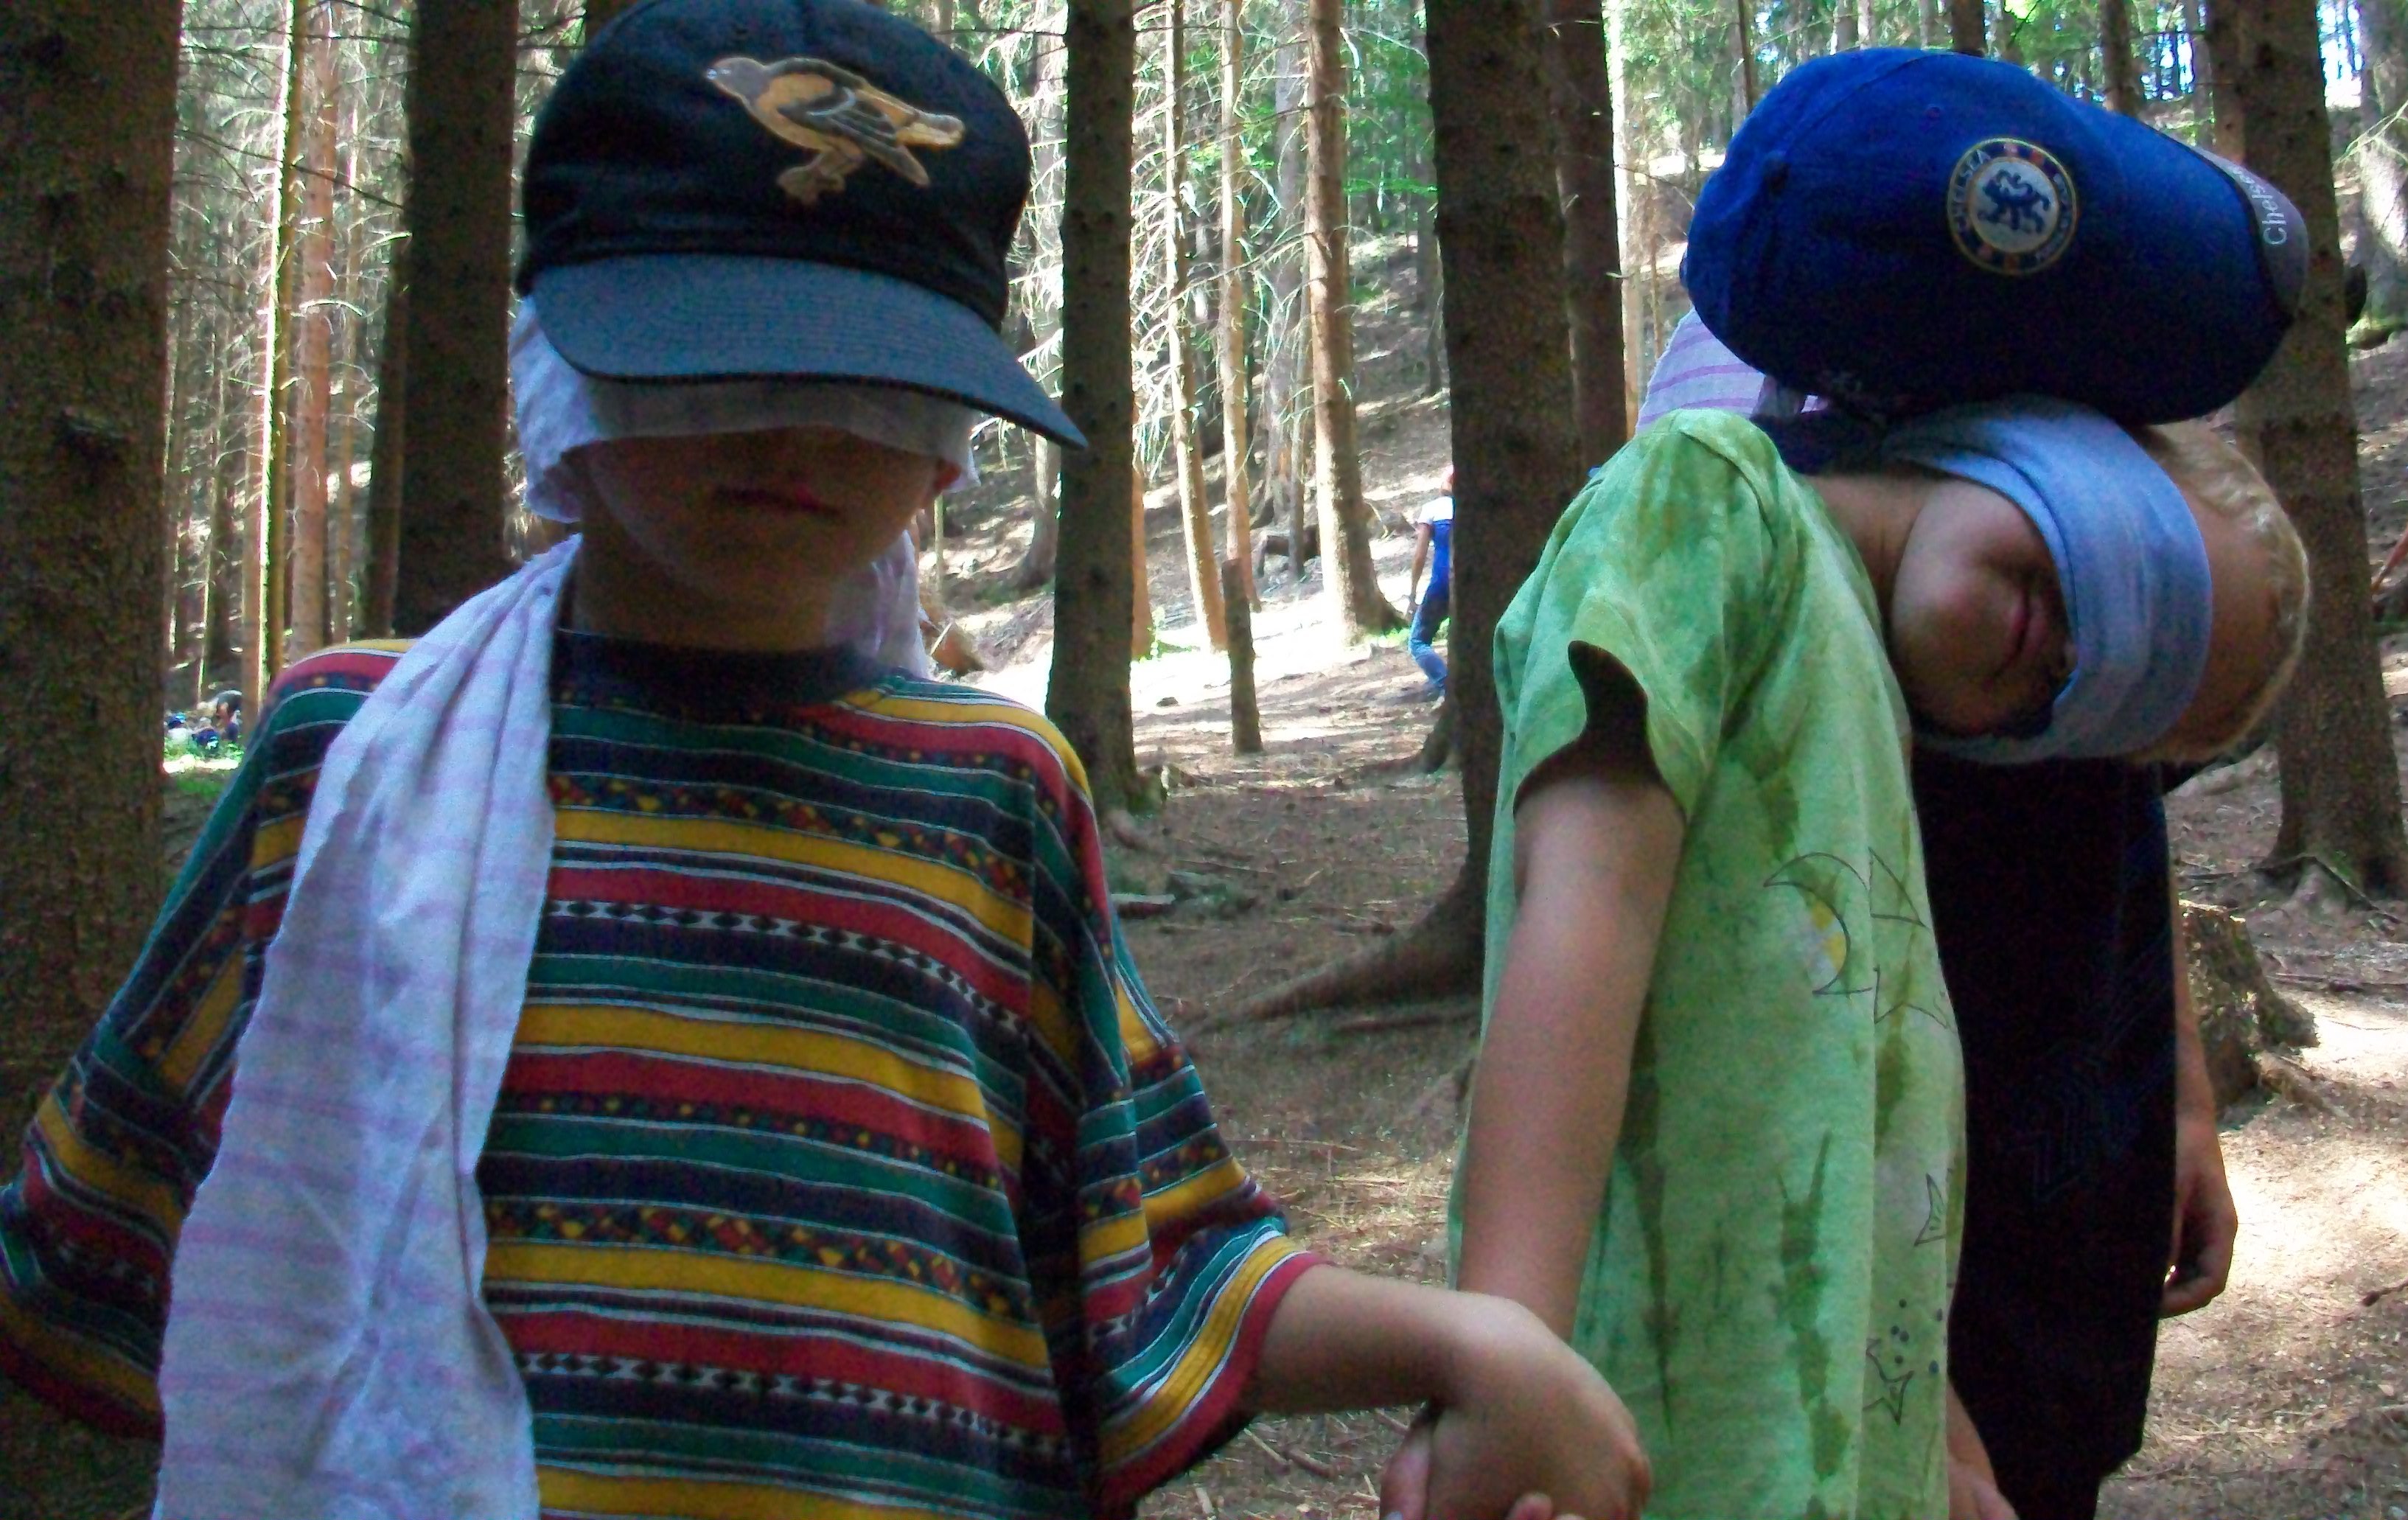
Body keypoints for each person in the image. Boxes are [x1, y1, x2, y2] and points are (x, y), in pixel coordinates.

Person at [0, 6, 1649, 1520]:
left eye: (875, 378)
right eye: (717, 355)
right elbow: (95, 1240)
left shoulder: (990, 797)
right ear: (559, 370)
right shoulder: (348, 760)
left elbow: (1152, 1263)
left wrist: (1473, 1343)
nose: (800, 430)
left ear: (947, 448)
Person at [1446, 397, 2306, 1519]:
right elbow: (1585, 908)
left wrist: (1932, 1439)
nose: (2082, 654)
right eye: (2141, 588)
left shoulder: (1872, 723)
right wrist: (1501, 1351)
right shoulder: (1713, 500)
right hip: (1627, 1448)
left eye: (2108, 702)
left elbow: (1833, 1145)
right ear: (2050, 435)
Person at [1640, 307, 2251, 1519]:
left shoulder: (2086, 361)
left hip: (2074, 1136)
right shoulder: (1753, 360)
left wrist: (2182, 1087)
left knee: (2045, 1458)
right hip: (1862, 1152)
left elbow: (2132, 783)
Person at [1401, 469, 1455, 702]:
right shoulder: (1476, 510)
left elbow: (1419, 556)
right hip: (1471, 581)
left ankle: (1446, 685)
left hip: (1442, 581)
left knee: (1417, 641)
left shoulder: (1432, 509)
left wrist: (1412, 594)